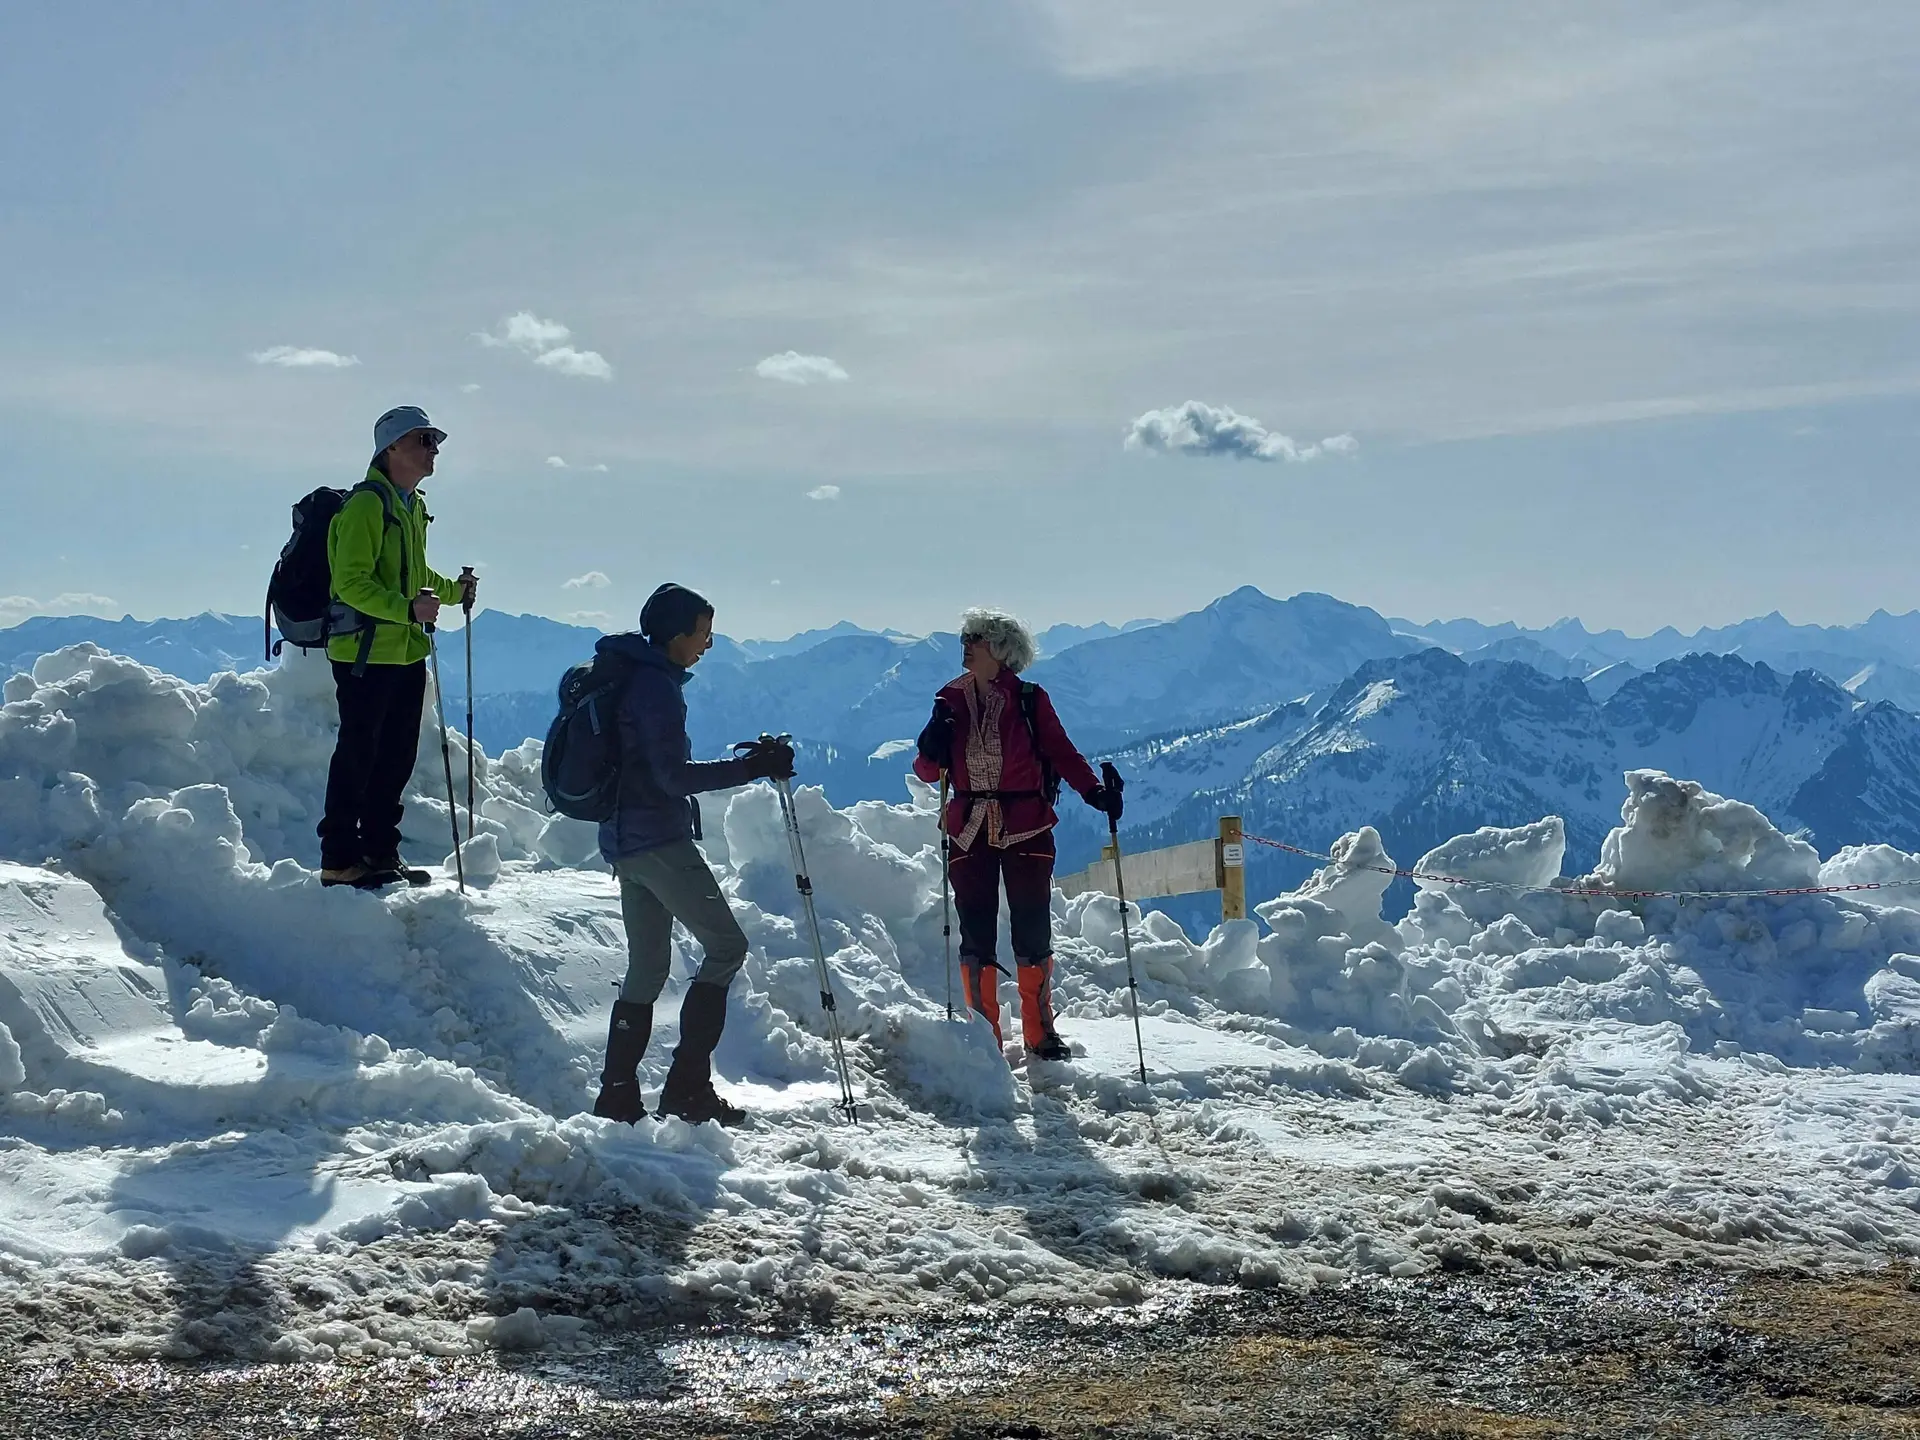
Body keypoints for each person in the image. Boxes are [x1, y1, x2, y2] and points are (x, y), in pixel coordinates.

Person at [591, 583, 795, 1127]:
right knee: (727, 946)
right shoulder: (654, 687)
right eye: (704, 632)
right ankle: (686, 1088)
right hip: (655, 838)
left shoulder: (628, 673)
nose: (708, 644)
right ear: (679, 634)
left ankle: (617, 1096)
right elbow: (672, 777)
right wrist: (752, 769)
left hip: (622, 839)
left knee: (649, 966)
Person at [913, 608, 1122, 1061]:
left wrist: (1094, 793)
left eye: (977, 637)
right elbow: (929, 772)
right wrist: (930, 742)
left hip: (1023, 823)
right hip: (971, 826)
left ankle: (1038, 1031)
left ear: (1002, 649)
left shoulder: (1029, 699)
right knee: (976, 929)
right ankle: (985, 1035)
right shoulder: (948, 701)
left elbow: (1061, 751)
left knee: (1031, 926)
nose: (966, 643)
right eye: (966, 636)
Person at [317, 406, 475, 890]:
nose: (434, 450)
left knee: (395, 757)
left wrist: (451, 591)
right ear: (391, 448)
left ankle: (381, 852)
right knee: (360, 756)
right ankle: (339, 859)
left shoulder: (409, 506)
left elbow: (414, 575)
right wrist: (409, 610)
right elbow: (349, 584)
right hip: (365, 654)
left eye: (433, 441)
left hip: (402, 652)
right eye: (423, 440)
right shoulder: (368, 506)